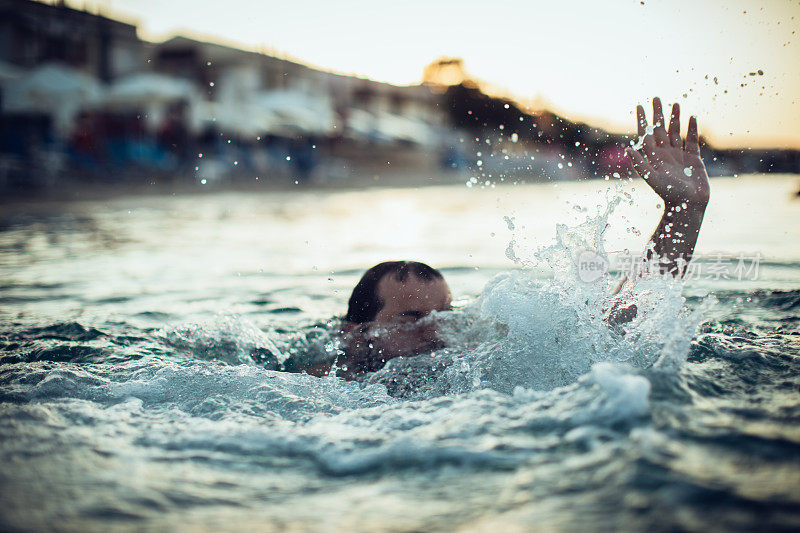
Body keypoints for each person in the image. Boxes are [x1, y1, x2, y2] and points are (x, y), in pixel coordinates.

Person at [300, 97, 711, 379]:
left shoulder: (479, 358)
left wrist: (683, 211)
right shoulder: (324, 384)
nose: (437, 330)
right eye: (411, 319)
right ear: (355, 332)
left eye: (444, 312)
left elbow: (610, 331)